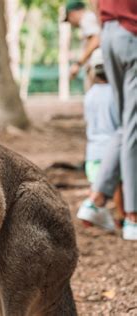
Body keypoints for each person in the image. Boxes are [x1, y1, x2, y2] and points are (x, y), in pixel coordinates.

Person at [79, 0, 137, 241]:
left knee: (126, 125)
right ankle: (133, 217)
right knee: (133, 125)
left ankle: (96, 200)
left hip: (110, 34)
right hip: (132, 31)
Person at [77, 49, 124, 231]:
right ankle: (122, 216)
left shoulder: (90, 95)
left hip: (93, 148)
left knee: (96, 183)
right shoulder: (117, 93)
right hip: (112, 147)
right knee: (120, 185)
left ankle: (92, 212)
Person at [64, 0, 100, 82]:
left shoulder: (86, 19)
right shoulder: (90, 18)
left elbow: (96, 40)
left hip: (99, 66)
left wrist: (78, 63)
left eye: (69, 18)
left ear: (72, 13)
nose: (70, 23)